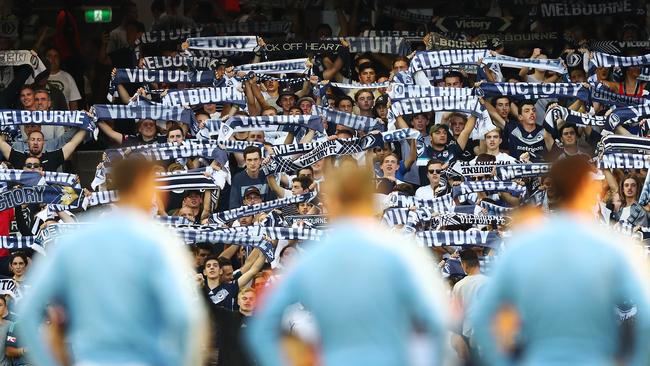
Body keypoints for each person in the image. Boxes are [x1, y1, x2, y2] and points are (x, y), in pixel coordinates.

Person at [247, 164, 448, 366]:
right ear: (370, 200)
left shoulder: (311, 260)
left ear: (332, 202)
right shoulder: (400, 252)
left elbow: (261, 328)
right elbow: (436, 320)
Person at [18, 157, 207, 366]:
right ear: (146, 187)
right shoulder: (159, 243)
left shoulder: (76, 238)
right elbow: (184, 318)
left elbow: (27, 311)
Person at [472, 155, 650, 366]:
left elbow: (483, 318)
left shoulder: (522, 246)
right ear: (589, 189)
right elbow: (645, 319)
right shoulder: (614, 249)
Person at [451, 249, 487, 365]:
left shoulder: (459, 286)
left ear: (464, 264)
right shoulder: (492, 282)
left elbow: (455, 315)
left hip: (469, 337)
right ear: (478, 263)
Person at [0, 128, 87, 171]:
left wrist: (87, 125)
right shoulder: (18, 157)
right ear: (27, 142)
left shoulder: (53, 157)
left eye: (39, 140)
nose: (35, 142)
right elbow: (1, 143)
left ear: (43, 143)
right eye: (32, 139)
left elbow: (74, 143)